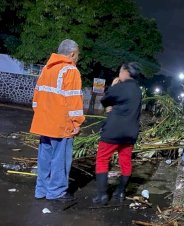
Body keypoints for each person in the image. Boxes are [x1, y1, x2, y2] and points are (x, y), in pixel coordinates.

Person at [30, 39, 84, 201]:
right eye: (78, 55)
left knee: (44, 158)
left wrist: (42, 116)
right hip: (61, 125)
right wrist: (77, 122)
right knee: (60, 160)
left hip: (44, 123)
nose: (78, 58)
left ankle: (41, 190)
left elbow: (36, 97)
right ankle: (56, 192)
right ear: (72, 53)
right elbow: (74, 100)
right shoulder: (70, 70)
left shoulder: (47, 69)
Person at [93, 62, 142, 205]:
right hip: (130, 133)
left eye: (120, 71)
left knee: (102, 159)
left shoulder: (121, 86)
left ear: (126, 72)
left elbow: (105, 99)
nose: (119, 74)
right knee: (125, 161)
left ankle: (102, 195)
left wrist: (114, 85)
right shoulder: (138, 90)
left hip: (114, 131)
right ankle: (120, 191)